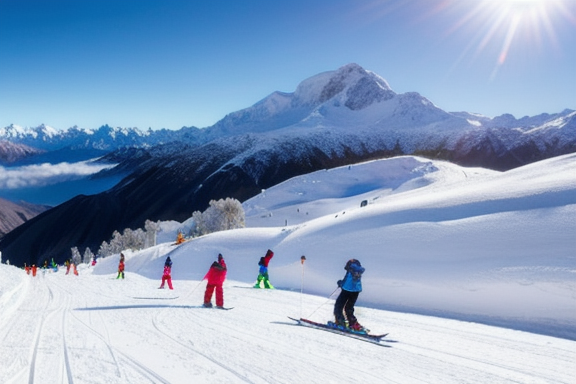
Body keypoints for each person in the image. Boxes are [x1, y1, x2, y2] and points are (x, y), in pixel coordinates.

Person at [333, 259, 365, 331]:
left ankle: (340, 322)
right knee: (348, 308)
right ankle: (353, 324)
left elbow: (347, 282)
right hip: (356, 291)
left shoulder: (350, 269)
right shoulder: (358, 271)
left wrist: (340, 283)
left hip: (347, 290)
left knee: (338, 306)